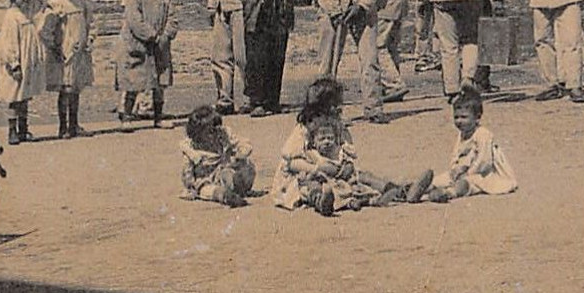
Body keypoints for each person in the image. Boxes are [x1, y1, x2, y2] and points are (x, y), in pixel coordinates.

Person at [273, 78, 405, 214]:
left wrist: (347, 164)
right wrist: (315, 168)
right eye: (333, 107)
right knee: (312, 186)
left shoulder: (337, 126)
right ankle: (321, 202)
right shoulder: (303, 130)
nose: (338, 109)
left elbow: (346, 149)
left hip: (337, 171)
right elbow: (291, 163)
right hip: (310, 174)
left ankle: (396, 191)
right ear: (318, 108)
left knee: (364, 176)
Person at [409, 85, 519, 203]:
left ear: (477, 118)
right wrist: (454, 169)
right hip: (463, 172)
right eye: (456, 117)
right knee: (441, 179)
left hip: (486, 176)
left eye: (464, 117)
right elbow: (456, 154)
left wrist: (468, 173)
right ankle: (412, 190)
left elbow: (484, 161)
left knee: (465, 184)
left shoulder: (483, 134)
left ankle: (448, 193)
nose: (459, 121)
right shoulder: (462, 134)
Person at [117, 0, 179, 127]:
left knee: (159, 81)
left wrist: (166, 35)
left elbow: (172, 17)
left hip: (160, 45)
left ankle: (158, 117)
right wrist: (151, 35)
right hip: (138, 44)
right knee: (134, 79)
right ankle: (127, 116)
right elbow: (135, 20)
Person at [0, 0, 50, 145]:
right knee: (14, 97)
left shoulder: (27, 11)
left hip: (27, 60)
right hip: (16, 61)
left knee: (24, 96)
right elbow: (9, 43)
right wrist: (14, 63)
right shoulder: (12, 16)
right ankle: (12, 131)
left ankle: (24, 129)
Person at [44, 0, 94, 138]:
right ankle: (63, 126)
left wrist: (89, 40)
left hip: (80, 52)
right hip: (65, 53)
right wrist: (55, 47)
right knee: (65, 89)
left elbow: (89, 25)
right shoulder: (57, 5)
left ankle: (74, 124)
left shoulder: (82, 4)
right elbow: (46, 29)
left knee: (75, 89)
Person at [180, 104, 256, 207]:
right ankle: (225, 196)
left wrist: (241, 153)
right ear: (197, 133)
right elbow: (187, 170)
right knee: (206, 190)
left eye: (215, 127)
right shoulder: (191, 148)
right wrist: (190, 185)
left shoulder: (222, 134)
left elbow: (241, 142)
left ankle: (237, 185)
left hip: (225, 170)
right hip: (206, 179)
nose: (214, 132)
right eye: (209, 131)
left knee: (245, 166)